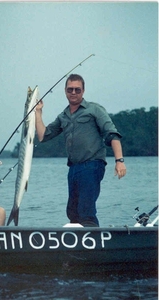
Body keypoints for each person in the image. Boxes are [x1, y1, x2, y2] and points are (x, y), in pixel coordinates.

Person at [35, 74, 126, 227]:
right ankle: (76, 247)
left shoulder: (94, 109)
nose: (74, 92)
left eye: (77, 89)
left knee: (86, 211)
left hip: (92, 165)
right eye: (70, 89)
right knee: (73, 212)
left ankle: (95, 246)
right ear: (65, 91)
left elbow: (112, 134)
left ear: (83, 91)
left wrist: (119, 161)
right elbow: (43, 136)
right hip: (73, 168)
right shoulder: (63, 116)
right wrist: (38, 112)